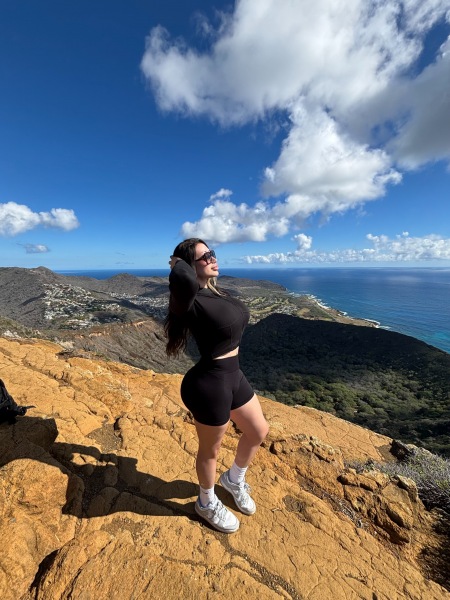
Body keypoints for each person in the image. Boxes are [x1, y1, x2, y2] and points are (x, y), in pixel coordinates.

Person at [165, 238, 269, 533]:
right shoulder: (189, 299)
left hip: (233, 374)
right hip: (210, 384)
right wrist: (178, 262)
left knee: (258, 431)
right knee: (210, 451)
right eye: (205, 256)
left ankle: (234, 479)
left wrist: (196, 261)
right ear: (189, 265)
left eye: (213, 253)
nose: (213, 258)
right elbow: (182, 278)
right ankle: (206, 502)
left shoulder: (215, 291)